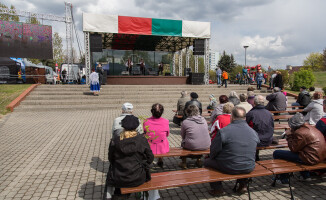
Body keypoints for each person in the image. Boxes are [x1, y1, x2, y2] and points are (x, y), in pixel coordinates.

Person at [204, 107, 260, 196]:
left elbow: (213, 151)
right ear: (245, 118)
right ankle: (243, 184)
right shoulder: (253, 132)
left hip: (229, 166)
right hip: (249, 165)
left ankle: (217, 188)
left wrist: (212, 157)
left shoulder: (224, 131)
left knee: (207, 162)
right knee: (240, 161)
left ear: (232, 117)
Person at [106, 115, 159, 200]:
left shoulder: (114, 141)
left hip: (120, 178)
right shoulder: (142, 140)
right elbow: (150, 158)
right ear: (136, 127)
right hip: (138, 177)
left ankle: (117, 195)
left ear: (122, 126)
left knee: (116, 178)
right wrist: (142, 164)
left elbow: (111, 159)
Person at [273, 113, 326, 183]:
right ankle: (305, 176)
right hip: (320, 156)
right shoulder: (311, 127)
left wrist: (289, 136)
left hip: (311, 159)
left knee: (277, 153)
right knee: (301, 152)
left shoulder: (300, 132)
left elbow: (293, 149)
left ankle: (283, 178)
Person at [246, 95, 274, 160]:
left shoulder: (251, 113)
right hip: (268, 139)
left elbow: (245, 127)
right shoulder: (269, 113)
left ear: (254, 103)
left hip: (256, 141)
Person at [143, 103, 170, 168]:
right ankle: (160, 159)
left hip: (150, 146)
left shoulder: (146, 121)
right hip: (162, 147)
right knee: (163, 140)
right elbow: (167, 134)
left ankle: (149, 161)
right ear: (162, 112)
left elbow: (144, 134)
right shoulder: (166, 121)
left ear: (151, 111)